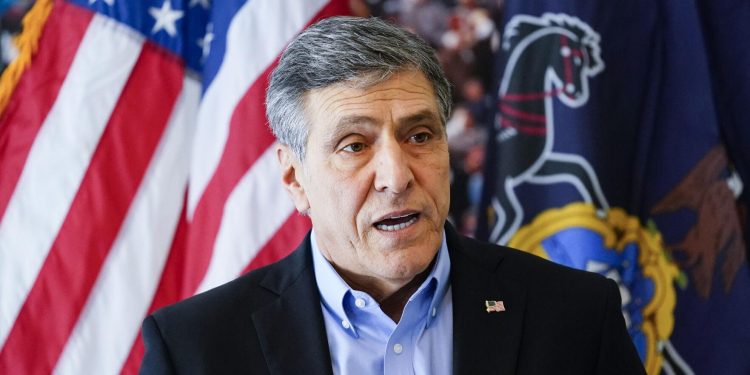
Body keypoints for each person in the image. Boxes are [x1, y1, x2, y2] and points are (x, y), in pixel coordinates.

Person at [140, 16, 645, 375]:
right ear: (295, 179)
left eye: (420, 136)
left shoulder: (574, 315)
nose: (396, 176)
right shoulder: (195, 349)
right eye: (354, 145)